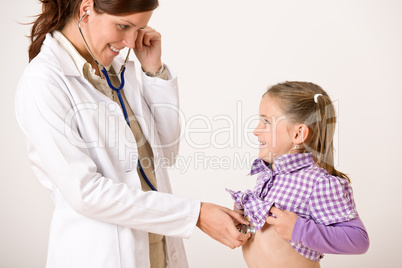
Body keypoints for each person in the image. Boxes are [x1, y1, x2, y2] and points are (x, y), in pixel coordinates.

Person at [15, 0, 249, 267]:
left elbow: (165, 154)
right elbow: (85, 192)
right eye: (123, 26)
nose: (129, 41)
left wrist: (153, 71)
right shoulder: (43, 81)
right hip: (101, 255)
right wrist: (195, 214)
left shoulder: (114, 71)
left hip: (157, 249)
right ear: (86, 9)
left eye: (139, 28)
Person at [227, 81, 369, 267]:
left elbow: (359, 240)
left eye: (266, 121)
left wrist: (299, 230)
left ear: (298, 134)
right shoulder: (267, 174)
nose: (255, 130)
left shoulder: (319, 182)